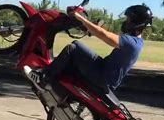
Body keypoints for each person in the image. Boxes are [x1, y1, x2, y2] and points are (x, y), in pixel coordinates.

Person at [24, 5, 153, 95]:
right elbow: (106, 34)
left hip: (103, 76)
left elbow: (105, 36)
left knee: (73, 48)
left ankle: (43, 78)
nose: (126, 21)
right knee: (74, 54)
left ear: (136, 22)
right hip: (105, 71)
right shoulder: (135, 41)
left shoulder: (132, 43)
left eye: (128, 19)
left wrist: (81, 19)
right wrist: (90, 27)